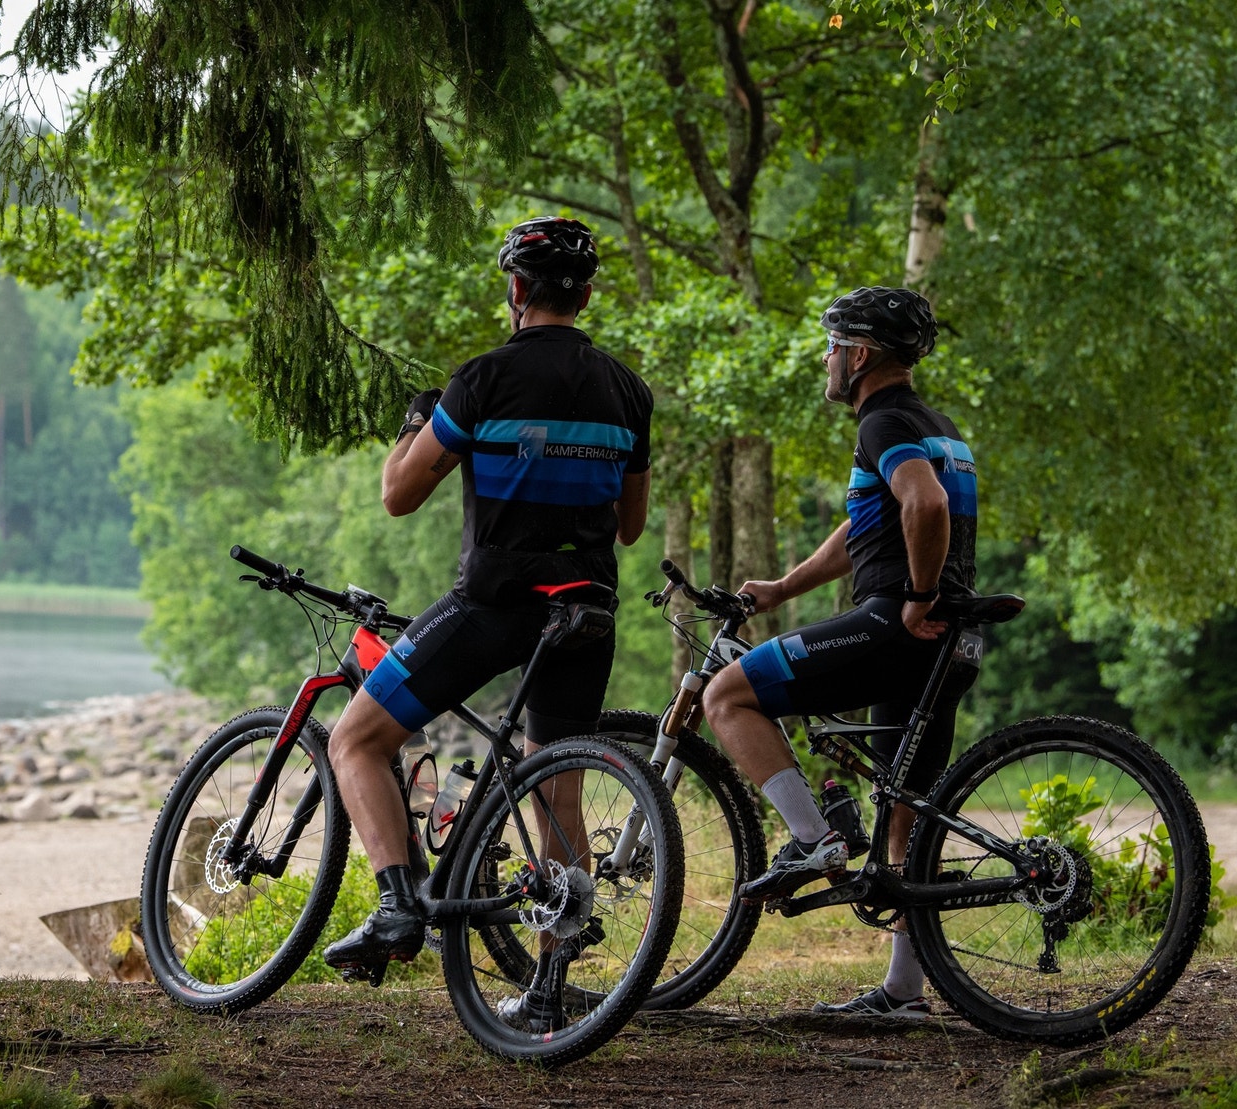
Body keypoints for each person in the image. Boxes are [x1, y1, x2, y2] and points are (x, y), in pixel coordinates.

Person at [321, 216, 654, 1030]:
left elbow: (399, 494)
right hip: (586, 610)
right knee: (556, 794)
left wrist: (414, 423)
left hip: (494, 606)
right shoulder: (627, 389)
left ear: (515, 290)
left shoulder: (480, 381)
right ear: (587, 294)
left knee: (357, 740)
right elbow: (632, 524)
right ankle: (548, 988)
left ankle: (399, 906)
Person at [701, 286, 979, 1019]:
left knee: (726, 695)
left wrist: (914, 595)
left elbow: (925, 506)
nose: (826, 359)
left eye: (831, 346)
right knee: (904, 812)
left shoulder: (882, 420)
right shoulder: (937, 423)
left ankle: (815, 837)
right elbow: (870, 524)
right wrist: (786, 586)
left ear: (858, 355)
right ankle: (904, 992)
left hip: (896, 626)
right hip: (953, 639)